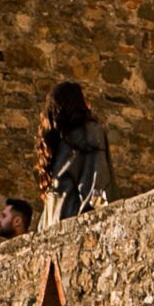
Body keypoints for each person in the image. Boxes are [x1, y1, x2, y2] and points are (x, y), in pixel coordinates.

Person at [37, 81, 113, 222]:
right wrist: (99, 218)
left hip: (54, 227)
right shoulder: (89, 133)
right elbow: (97, 181)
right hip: (75, 223)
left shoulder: (53, 146)